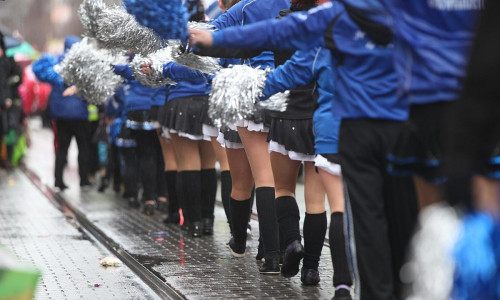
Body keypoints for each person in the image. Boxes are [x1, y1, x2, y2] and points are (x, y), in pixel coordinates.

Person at [189, 2, 419, 298]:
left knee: (350, 211)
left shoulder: (330, 21)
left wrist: (215, 48)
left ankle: (344, 284)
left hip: (343, 131)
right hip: (401, 132)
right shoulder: (407, 13)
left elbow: (277, 40)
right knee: (398, 215)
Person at [32, 36, 92, 191]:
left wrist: (48, 57)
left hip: (61, 115)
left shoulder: (57, 65)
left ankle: (59, 181)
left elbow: (37, 69)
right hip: (80, 115)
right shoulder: (83, 66)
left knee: (62, 148)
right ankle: (84, 180)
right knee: (83, 148)